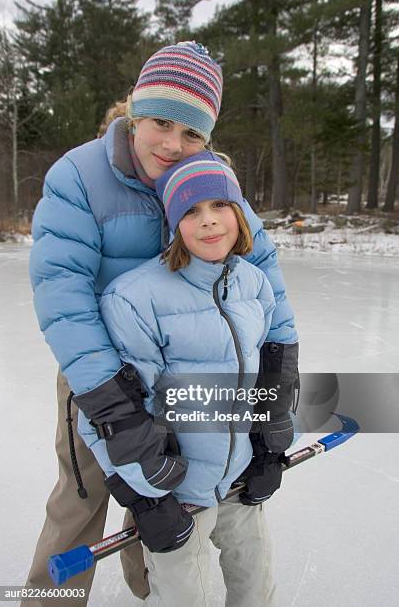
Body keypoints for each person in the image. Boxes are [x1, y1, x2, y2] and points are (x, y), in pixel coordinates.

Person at [26, 41, 298, 606]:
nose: (174, 146)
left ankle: (151, 588)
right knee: (85, 495)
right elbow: (64, 300)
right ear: (134, 111)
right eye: (161, 122)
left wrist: (278, 381)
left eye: (193, 133)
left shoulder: (212, 182)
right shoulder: (77, 176)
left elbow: (264, 276)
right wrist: (115, 408)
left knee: (168, 497)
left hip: (194, 373)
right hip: (99, 374)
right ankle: (45, 600)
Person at [76, 150, 295, 606]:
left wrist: (268, 450)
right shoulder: (136, 297)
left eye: (219, 206)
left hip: (237, 482)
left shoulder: (253, 284)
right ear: (174, 223)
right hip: (177, 493)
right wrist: (147, 500)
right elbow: (108, 417)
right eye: (191, 211)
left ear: (239, 213)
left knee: (257, 588)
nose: (209, 221)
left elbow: (260, 382)